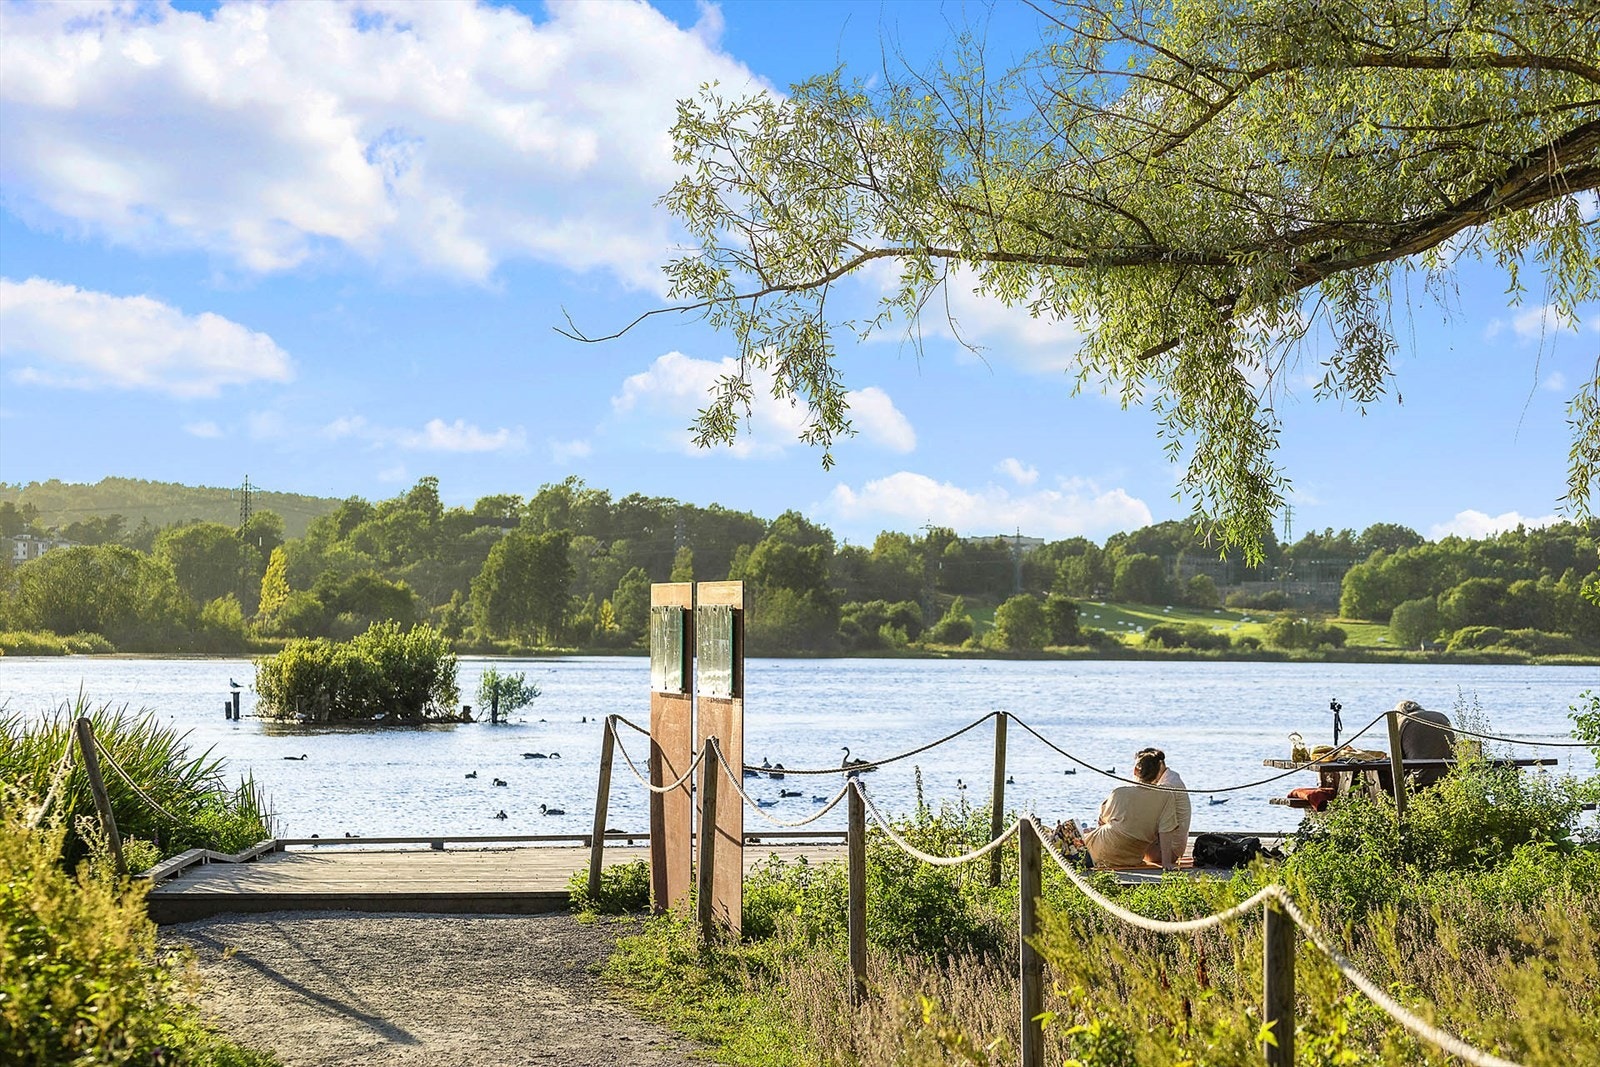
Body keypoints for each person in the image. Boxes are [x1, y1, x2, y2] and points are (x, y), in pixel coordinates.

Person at [1083, 750, 1183, 870]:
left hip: (1100, 851)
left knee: (1077, 833)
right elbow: (1166, 831)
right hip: (1131, 857)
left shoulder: (1120, 792)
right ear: (1158, 773)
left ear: (1136, 770)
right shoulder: (1167, 796)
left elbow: (1103, 818)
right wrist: (1166, 863)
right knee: (1088, 831)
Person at [1136, 747, 1191, 866]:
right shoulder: (1170, 777)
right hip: (1167, 848)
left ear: (1159, 765)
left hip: (1167, 851)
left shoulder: (1168, 785)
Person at [1395, 699, 1456, 788]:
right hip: (1448, 777)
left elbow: (1397, 756)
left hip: (1419, 780)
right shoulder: (1441, 717)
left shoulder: (1403, 721)